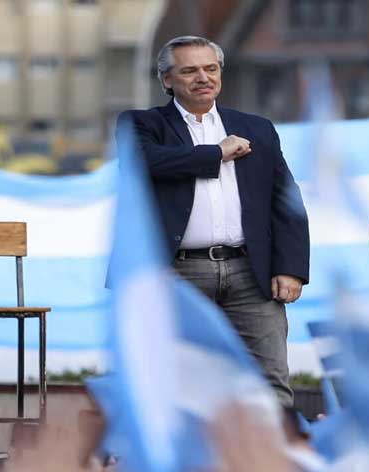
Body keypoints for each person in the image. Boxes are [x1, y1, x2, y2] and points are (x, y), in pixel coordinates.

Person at [116, 36, 310, 406]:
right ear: (166, 80)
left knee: (269, 380)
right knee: (168, 381)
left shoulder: (257, 128)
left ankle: (273, 461)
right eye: (189, 70)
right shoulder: (141, 124)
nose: (203, 77)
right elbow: (143, 163)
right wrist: (216, 154)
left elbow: (286, 200)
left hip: (251, 271)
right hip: (173, 273)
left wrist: (291, 267)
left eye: (211, 68)